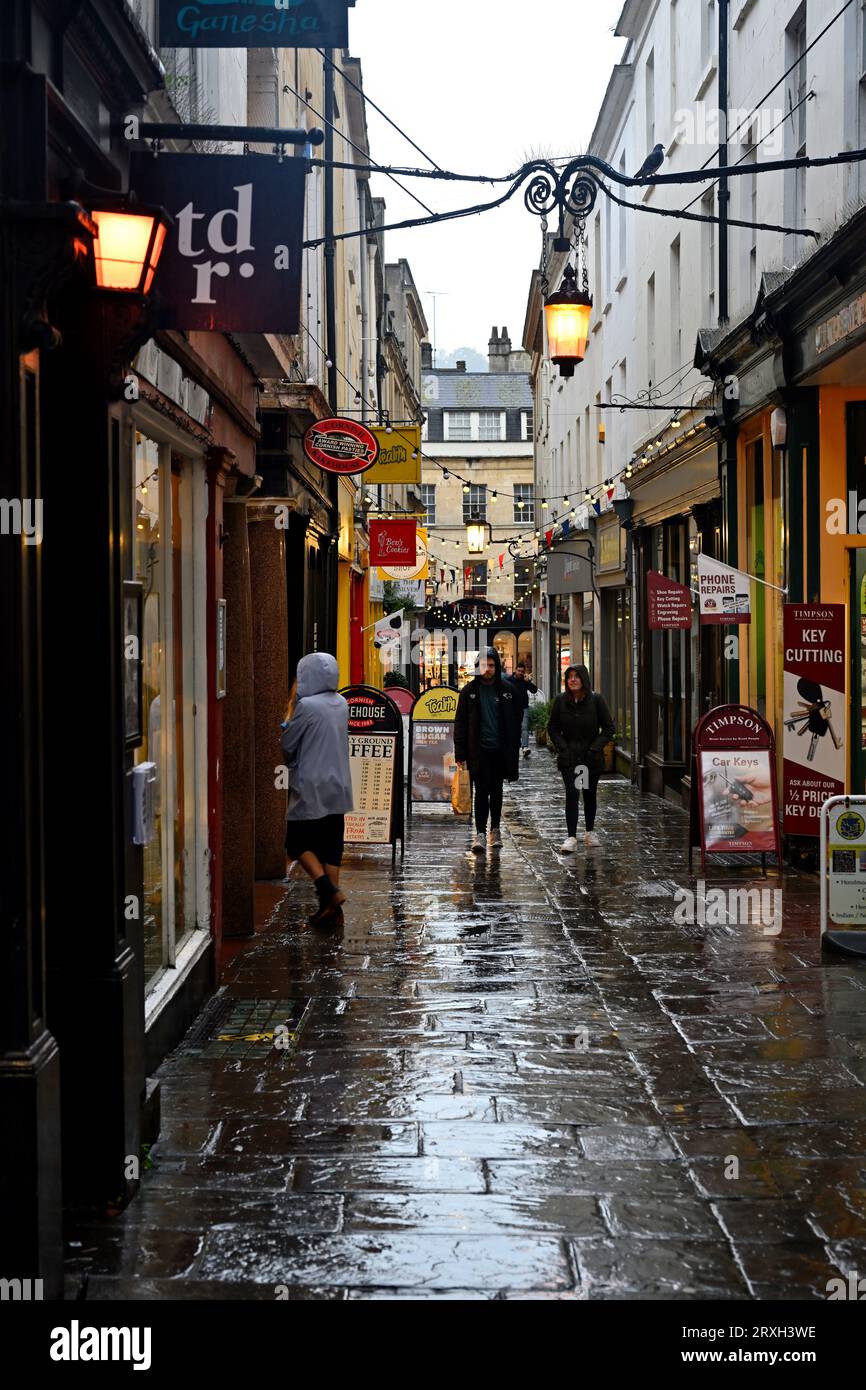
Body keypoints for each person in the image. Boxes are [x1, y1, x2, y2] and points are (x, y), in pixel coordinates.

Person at [280, 653, 354, 927]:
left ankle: (329, 891)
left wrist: (287, 725)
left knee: (296, 841)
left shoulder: (307, 706)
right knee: (331, 843)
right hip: (339, 782)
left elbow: (289, 745)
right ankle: (331, 909)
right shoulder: (342, 702)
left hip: (312, 783)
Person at [454, 646, 522, 854]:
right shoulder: (469, 692)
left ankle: (495, 829)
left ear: (497, 667)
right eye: (484, 665)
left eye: (491, 665)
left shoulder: (508, 690)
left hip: (500, 750)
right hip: (478, 751)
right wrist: (460, 753)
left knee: (497, 791)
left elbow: (516, 719)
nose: (487, 669)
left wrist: (514, 745)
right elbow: (460, 724)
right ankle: (480, 833)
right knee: (481, 792)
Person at [547, 664, 615, 852]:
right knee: (573, 793)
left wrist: (595, 748)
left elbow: (609, 728)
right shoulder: (561, 701)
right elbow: (552, 727)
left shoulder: (596, 700)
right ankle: (571, 837)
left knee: (588, 793)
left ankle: (589, 831)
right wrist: (563, 747)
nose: (573, 680)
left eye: (577, 676)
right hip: (570, 758)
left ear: (584, 679)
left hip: (588, 758)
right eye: (569, 677)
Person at [507, 661, 538, 758]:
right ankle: (513, 747)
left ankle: (525, 747)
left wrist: (529, 681)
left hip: (524, 707)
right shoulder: (509, 681)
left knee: (524, 727)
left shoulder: (525, 681)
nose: (520, 673)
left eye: (522, 671)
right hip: (511, 709)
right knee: (513, 728)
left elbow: (534, 690)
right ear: (515, 670)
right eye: (519, 670)